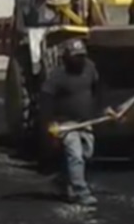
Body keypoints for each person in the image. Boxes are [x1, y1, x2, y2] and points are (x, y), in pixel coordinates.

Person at [39, 38, 115, 206]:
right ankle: (81, 192)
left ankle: (62, 180)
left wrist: (105, 108)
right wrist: (49, 123)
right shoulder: (58, 76)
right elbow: (46, 99)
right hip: (66, 123)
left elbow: (98, 90)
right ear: (66, 58)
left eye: (81, 56)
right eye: (75, 57)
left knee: (86, 153)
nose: (78, 60)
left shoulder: (90, 68)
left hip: (86, 121)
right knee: (75, 156)